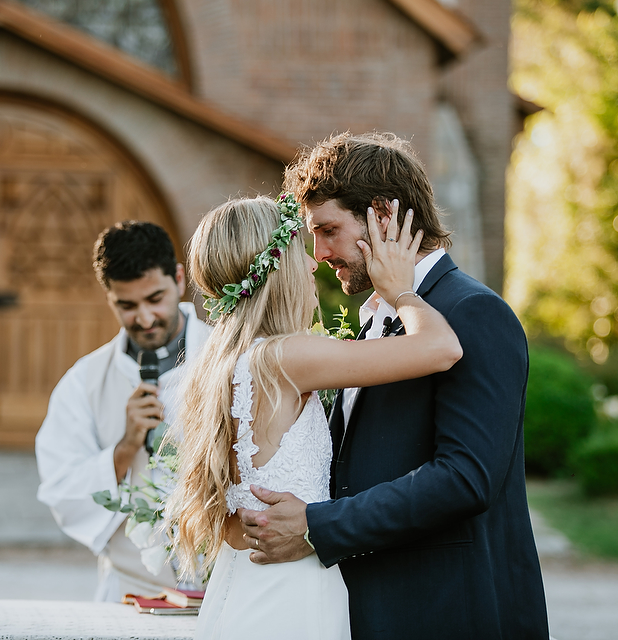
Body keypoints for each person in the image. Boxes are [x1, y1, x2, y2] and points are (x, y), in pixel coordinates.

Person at [238, 132, 551, 639]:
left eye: (329, 229)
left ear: (383, 216)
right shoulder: (376, 319)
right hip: (374, 610)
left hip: (450, 611)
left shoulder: (474, 314)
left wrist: (320, 527)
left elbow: (466, 477)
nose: (318, 253)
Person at [165, 194, 462, 640]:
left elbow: (230, 523)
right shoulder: (285, 356)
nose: (312, 264)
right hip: (290, 597)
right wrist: (400, 289)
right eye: (299, 251)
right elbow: (442, 348)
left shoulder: (220, 362)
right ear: (277, 269)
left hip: (244, 586)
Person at [35, 221, 211, 601]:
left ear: (179, 280)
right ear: (109, 299)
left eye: (155, 299)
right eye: (127, 306)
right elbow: (61, 488)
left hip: (221, 590)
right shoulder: (84, 381)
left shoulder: (226, 357)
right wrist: (124, 448)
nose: (145, 319)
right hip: (129, 593)